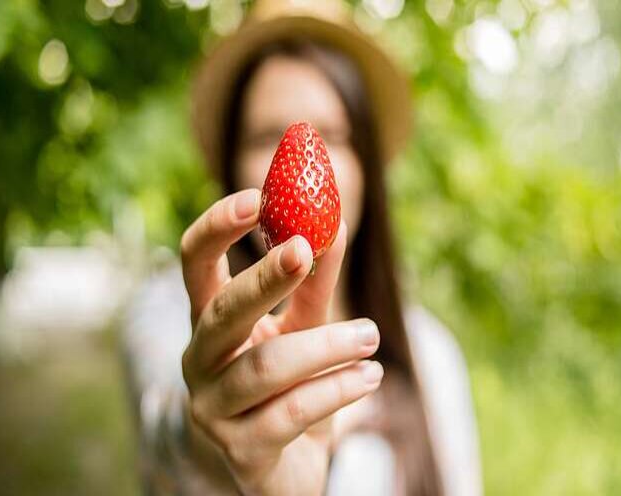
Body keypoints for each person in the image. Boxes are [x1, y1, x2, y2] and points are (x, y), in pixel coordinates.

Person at [121, 1, 482, 495]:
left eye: (332, 134)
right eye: (267, 135)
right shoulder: (164, 312)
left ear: (367, 168)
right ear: (232, 166)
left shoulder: (431, 356)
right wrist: (219, 424)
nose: (301, 157)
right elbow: (165, 430)